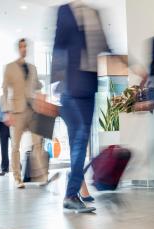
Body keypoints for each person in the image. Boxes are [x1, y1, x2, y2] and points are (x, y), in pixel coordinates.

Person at [51, 1, 111, 212]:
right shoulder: (65, 11)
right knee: (80, 138)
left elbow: (105, 45)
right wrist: (55, 84)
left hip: (89, 86)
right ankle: (71, 193)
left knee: (82, 141)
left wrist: (133, 65)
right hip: (71, 86)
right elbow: (58, 47)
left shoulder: (95, 13)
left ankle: (73, 187)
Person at [2, 38, 48, 188]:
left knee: (38, 143)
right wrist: (7, 111)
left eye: (25, 46)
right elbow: (4, 90)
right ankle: (17, 178)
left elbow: (37, 85)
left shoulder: (33, 68)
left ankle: (42, 176)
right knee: (15, 146)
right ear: (18, 48)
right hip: (16, 112)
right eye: (21, 46)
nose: (24, 49)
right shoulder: (9, 68)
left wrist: (41, 95)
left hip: (32, 110)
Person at [0, 96, 10, 176]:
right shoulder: (1, 98)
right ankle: (4, 169)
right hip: (2, 125)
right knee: (4, 149)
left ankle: (18, 168)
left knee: (16, 148)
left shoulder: (15, 96)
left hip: (12, 124)